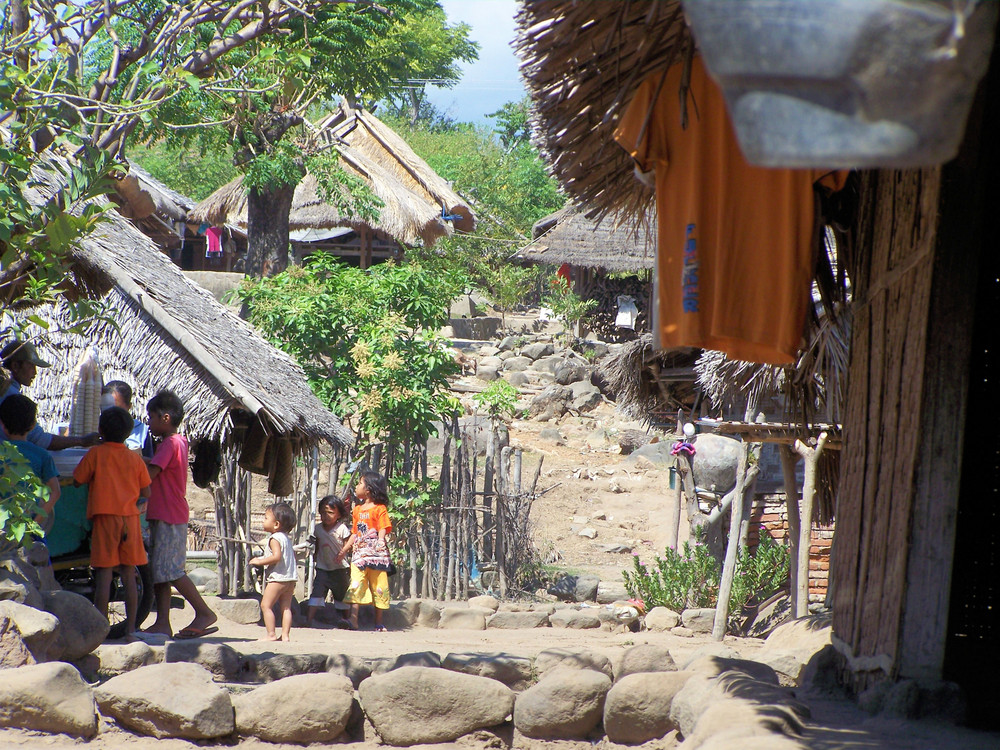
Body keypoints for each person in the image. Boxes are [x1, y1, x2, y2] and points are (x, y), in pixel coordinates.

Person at [140, 389, 217, 640]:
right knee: (161, 571)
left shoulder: (169, 443)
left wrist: (128, 461)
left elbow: (149, 474)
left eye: (151, 418)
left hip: (168, 514)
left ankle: (204, 612)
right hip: (165, 512)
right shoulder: (178, 443)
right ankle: (163, 622)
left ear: (164, 418)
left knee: (171, 571)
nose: (149, 424)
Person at [71, 406, 151, 637]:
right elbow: (146, 491)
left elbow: (77, 480)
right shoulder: (135, 459)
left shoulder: (95, 454)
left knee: (104, 574)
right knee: (129, 574)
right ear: (128, 433)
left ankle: (101, 630)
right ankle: (131, 630)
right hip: (130, 521)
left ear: (100, 430)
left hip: (105, 520)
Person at [0, 340, 99, 449]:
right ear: (15, 366)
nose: (35, 372)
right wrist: (82, 441)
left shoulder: (7, 391)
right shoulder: (10, 396)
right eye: (31, 366)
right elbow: (41, 440)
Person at [337, 471, 392, 632]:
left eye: (360, 483)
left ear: (368, 489)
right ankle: (353, 620)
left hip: (377, 554)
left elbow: (382, 526)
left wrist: (381, 541)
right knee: (356, 582)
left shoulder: (379, 509)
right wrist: (344, 549)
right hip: (359, 554)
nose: (357, 486)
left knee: (378, 585)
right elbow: (355, 533)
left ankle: (379, 622)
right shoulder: (357, 510)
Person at [0, 394, 61, 533]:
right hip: (30, 530)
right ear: (33, 425)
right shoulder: (42, 456)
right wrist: (35, 522)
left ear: (2, 424)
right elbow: (55, 492)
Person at [249, 501, 298, 642]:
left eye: (265, 518)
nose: (263, 521)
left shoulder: (274, 538)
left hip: (278, 578)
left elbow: (276, 557)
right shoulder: (286, 539)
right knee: (286, 608)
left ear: (276, 524)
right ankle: (286, 635)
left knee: (266, 605)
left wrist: (259, 561)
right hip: (290, 579)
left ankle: (271, 634)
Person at [306, 495, 352, 628]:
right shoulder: (318, 529)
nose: (327, 516)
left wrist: (342, 553)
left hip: (339, 569)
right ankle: (309, 620)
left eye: (331, 513)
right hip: (322, 568)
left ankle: (346, 619)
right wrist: (315, 556)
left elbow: (347, 545)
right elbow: (318, 544)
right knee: (317, 593)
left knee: (342, 595)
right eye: (324, 512)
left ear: (339, 514)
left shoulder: (341, 529)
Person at [101, 380, 154, 457]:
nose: (111, 415)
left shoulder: (140, 430)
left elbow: (148, 459)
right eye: (107, 409)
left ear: (129, 406)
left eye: (117, 410)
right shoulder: (95, 426)